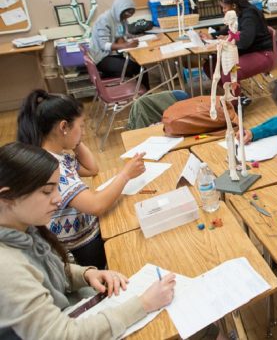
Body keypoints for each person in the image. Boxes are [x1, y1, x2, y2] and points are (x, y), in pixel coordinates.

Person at [0, 141, 176, 339]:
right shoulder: (7, 269)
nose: (58, 199)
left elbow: (48, 271)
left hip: (76, 309)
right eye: (47, 191)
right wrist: (143, 304)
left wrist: (86, 274)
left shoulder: (24, 225)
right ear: (7, 197)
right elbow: (62, 335)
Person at [17, 90, 146, 269]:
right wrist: (126, 174)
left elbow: (91, 169)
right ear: (63, 127)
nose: (84, 132)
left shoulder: (53, 154)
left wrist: (75, 140)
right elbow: (95, 205)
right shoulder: (53, 167)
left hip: (85, 234)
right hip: (82, 247)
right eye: (81, 126)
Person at [201, 0, 274, 106]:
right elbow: (229, 29)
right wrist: (212, 35)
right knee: (210, 65)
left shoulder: (249, 15)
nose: (223, 11)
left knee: (229, 70)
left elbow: (245, 41)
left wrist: (229, 39)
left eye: (224, 7)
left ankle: (235, 106)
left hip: (262, 54)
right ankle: (237, 96)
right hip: (247, 52)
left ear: (234, 5)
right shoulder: (238, 14)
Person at [88, 0, 149, 89]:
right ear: (119, 9)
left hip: (114, 54)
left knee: (141, 67)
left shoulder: (121, 19)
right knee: (130, 68)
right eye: (127, 12)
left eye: (131, 13)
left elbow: (122, 35)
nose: (128, 16)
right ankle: (131, 92)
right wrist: (126, 45)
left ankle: (146, 94)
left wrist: (131, 39)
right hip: (102, 57)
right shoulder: (104, 19)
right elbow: (104, 45)